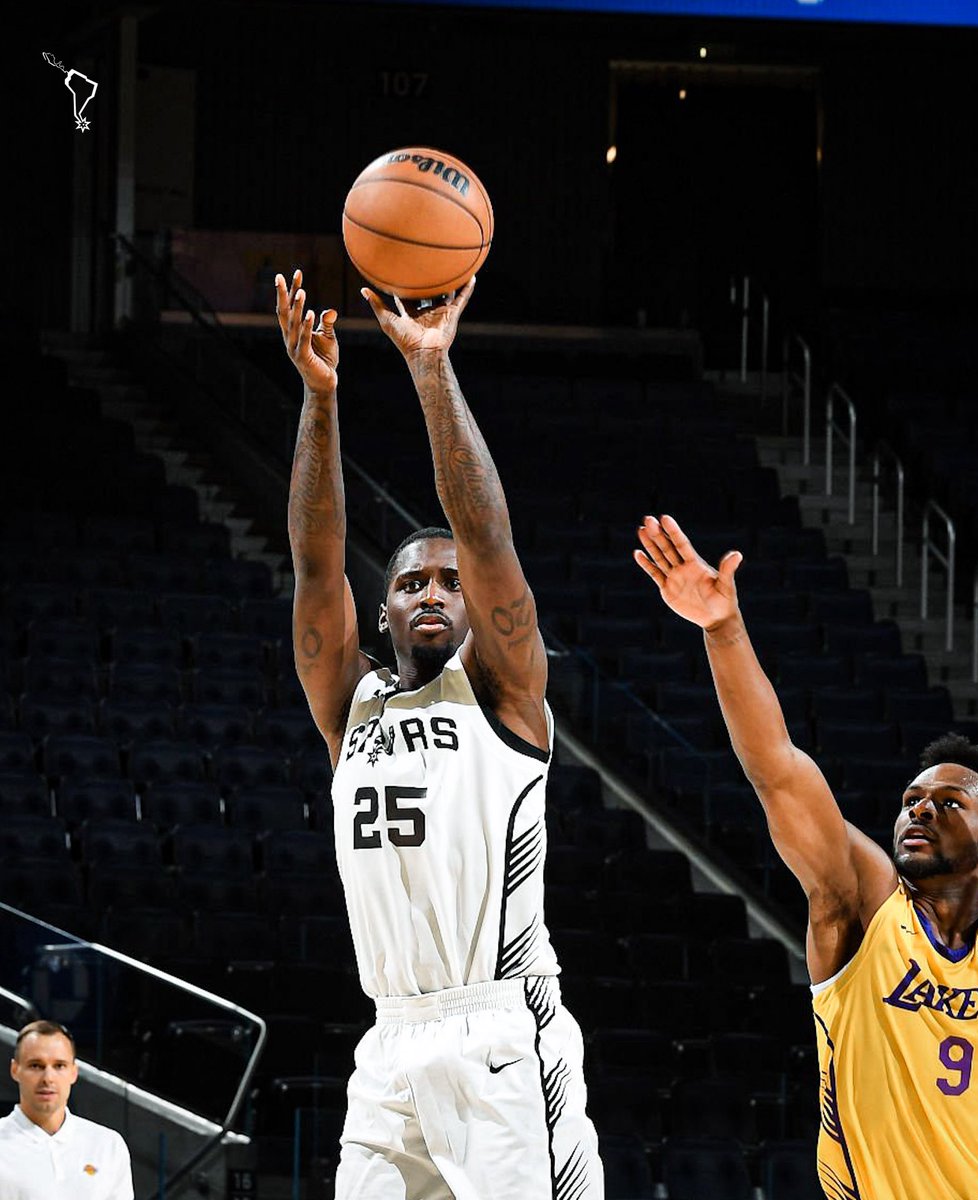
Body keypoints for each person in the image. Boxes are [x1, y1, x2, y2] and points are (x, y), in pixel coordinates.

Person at [276, 269, 603, 1200]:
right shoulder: (352, 706)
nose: (431, 591)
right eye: (411, 582)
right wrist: (321, 397)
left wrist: (428, 369)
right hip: (389, 1041)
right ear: (382, 612)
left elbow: (487, 534)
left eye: (449, 584)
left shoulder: (504, 695)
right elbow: (315, 557)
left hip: (502, 1030)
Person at [634, 513, 978, 1200]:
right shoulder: (866, 905)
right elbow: (779, 770)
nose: (919, 808)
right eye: (911, 798)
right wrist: (723, 630)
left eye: (949, 802)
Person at [0, 1021, 133, 1200]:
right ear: (15, 1070)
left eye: (59, 1066)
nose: (48, 1078)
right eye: (36, 1066)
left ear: (73, 1072)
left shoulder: (108, 1145)